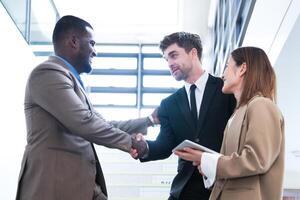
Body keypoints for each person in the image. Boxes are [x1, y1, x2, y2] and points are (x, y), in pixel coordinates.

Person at [15, 15, 156, 200]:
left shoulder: (71, 81)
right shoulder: (47, 73)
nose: (94, 51)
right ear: (74, 41)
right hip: (53, 185)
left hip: (80, 183)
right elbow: (84, 122)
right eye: (92, 43)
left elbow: (103, 123)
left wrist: (150, 121)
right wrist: (131, 143)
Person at [131, 32, 236, 200]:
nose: (170, 64)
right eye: (167, 59)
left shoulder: (226, 90)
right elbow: (165, 145)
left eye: (173, 56)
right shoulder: (168, 104)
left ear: (193, 53)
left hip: (223, 186)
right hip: (185, 190)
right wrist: (144, 148)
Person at [174, 46, 285, 200]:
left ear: (242, 69)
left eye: (227, 66)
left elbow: (256, 160)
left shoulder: (261, 105)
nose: (223, 74)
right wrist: (208, 167)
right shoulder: (237, 114)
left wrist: (207, 160)